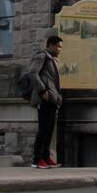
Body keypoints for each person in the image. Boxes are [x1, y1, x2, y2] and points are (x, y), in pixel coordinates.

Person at [26, 35, 63, 168]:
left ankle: (46, 158)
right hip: (45, 98)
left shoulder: (53, 59)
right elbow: (32, 73)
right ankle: (37, 159)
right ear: (51, 45)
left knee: (49, 130)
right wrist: (42, 91)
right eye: (58, 46)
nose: (60, 49)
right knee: (43, 129)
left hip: (53, 99)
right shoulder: (42, 56)